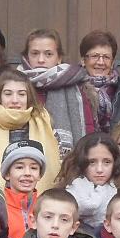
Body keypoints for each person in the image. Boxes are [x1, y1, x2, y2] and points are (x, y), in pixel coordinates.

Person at [0, 69, 61, 184]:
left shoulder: (43, 121)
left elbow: (58, 160)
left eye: (21, 94)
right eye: (8, 94)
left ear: (28, 97)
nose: (15, 100)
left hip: (38, 197)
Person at [18, 28, 93, 156]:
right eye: (35, 53)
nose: (41, 59)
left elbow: (88, 128)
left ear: (59, 58)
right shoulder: (14, 85)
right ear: (26, 57)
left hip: (65, 165)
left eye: (48, 54)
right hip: (23, 161)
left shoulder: (74, 87)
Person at [56, 132, 120, 233]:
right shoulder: (61, 198)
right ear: (80, 162)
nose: (99, 169)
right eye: (92, 162)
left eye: (107, 162)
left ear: (115, 163)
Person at [81, 30, 120, 134]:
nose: (100, 62)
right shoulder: (73, 88)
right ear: (83, 60)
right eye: (95, 56)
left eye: (106, 57)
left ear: (112, 62)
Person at [0, 139, 49, 238]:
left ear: (40, 174)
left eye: (34, 168)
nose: (27, 173)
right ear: (7, 173)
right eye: (19, 167)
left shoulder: (47, 206)